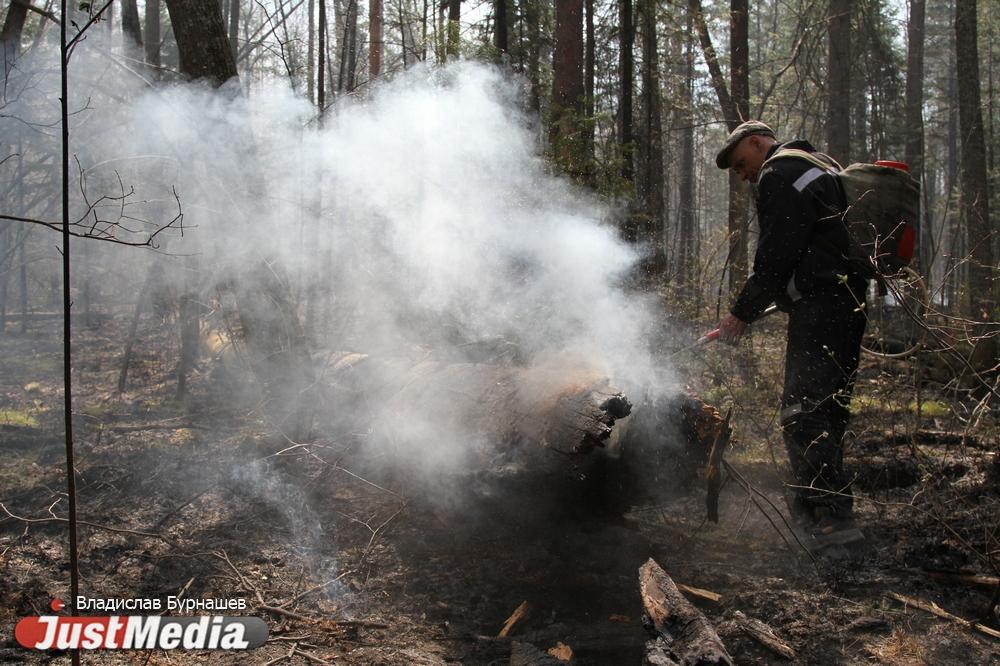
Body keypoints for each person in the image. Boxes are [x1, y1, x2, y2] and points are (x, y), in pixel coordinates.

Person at [714, 120, 868, 533]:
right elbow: (812, 246)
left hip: (822, 309)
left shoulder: (779, 172)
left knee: (804, 412)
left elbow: (776, 255)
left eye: (742, 163)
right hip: (847, 303)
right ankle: (821, 517)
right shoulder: (817, 164)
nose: (743, 174)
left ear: (757, 142)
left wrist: (739, 313)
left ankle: (830, 524)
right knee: (828, 410)